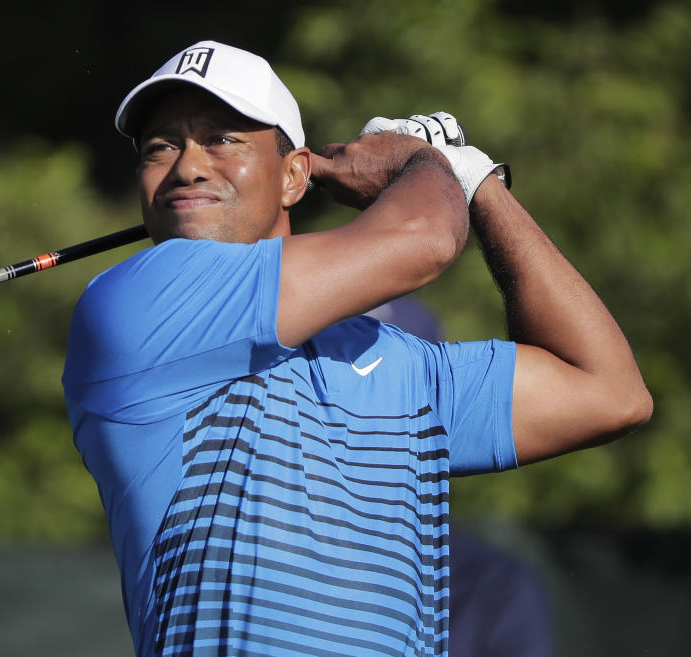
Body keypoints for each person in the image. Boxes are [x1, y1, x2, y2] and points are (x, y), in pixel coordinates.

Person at [62, 40, 651, 657]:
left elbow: (610, 392)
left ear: (295, 175)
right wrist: (424, 163)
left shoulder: (401, 363)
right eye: (161, 146)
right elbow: (424, 237)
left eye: (222, 139)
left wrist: (478, 182)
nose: (187, 166)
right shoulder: (139, 304)